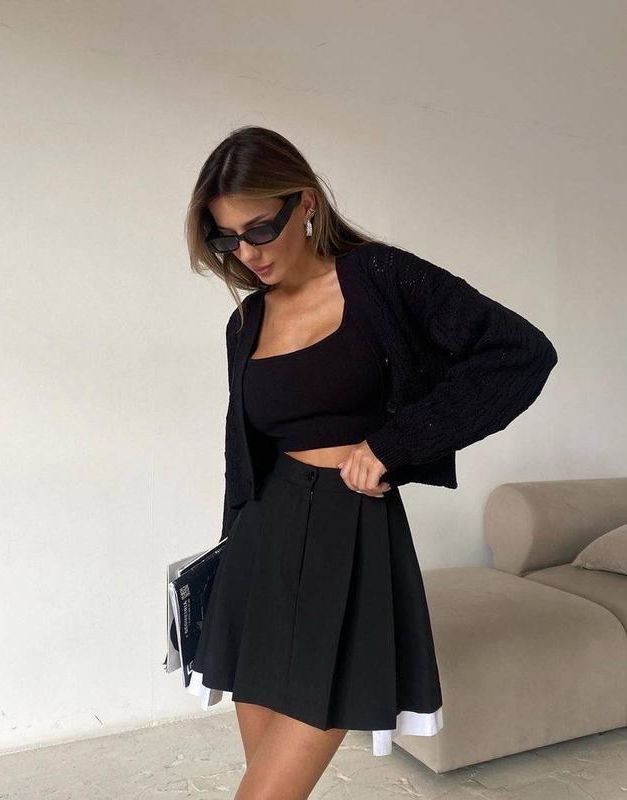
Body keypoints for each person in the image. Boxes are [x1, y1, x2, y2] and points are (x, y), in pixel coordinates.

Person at [183, 125, 558, 799]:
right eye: (227, 238)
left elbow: (519, 354)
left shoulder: (381, 279)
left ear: (305, 203)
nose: (247, 253)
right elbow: (244, 459)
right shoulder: (245, 324)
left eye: (260, 229)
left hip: (349, 534)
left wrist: (394, 445)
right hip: (261, 544)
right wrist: (223, 563)